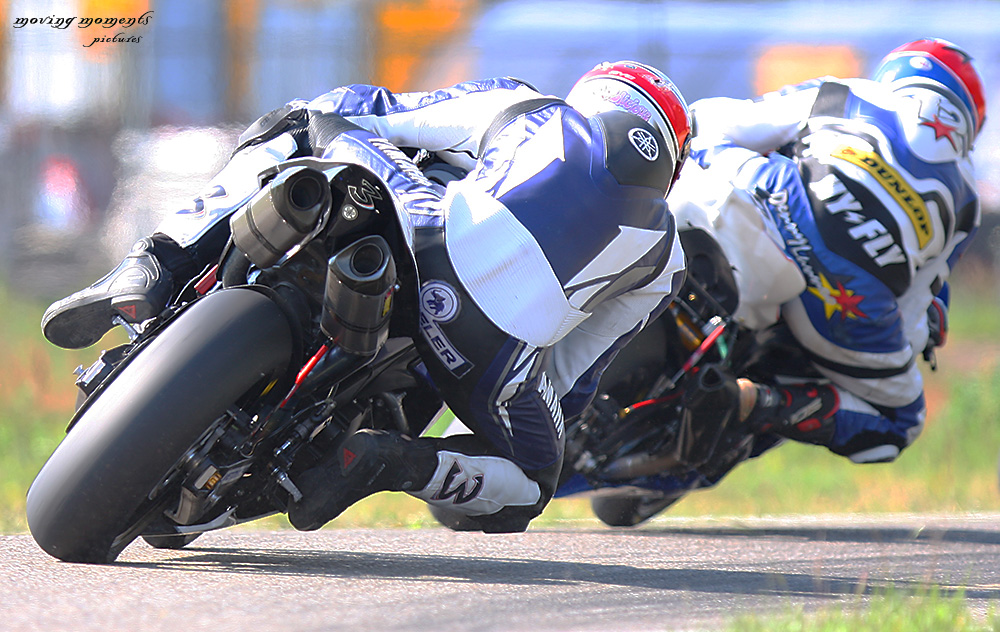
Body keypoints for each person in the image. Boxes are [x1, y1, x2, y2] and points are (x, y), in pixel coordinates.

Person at [40, 62, 693, 533]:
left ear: (590, 95)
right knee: (530, 486)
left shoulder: (527, 105)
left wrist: (343, 137)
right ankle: (390, 463)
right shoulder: (667, 258)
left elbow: (370, 106)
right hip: (489, 353)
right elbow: (574, 374)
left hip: (421, 222)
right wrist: (506, 419)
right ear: (673, 167)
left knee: (302, 118)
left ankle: (153, 263)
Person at [683, 38, 985, 464]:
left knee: (694, 136)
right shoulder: (967, 195)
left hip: (767, 199)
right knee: (902, 420)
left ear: (894, 75)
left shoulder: (849, 91)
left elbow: (726, 119)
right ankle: (759, 399)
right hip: (844, 300)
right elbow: (916, 307)